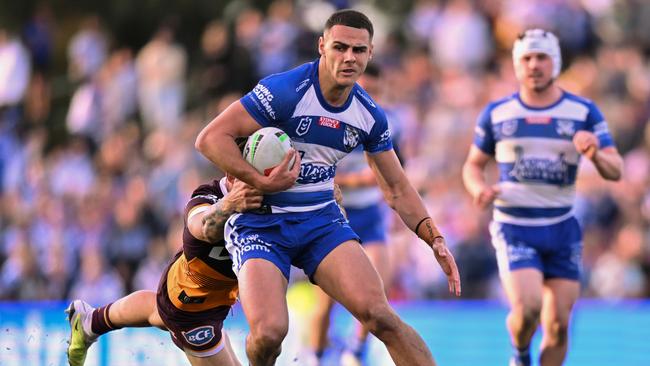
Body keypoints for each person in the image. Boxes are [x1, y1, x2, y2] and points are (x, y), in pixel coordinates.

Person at [195, 9, 461, 366]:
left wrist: (435, 239)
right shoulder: (286, 90)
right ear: (322, 46)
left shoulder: (369, 116)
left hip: (320, 221)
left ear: (370, 54)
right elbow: (210, 139)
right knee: (270, 333)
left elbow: (397, 187)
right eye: (340, 47)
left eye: (358, 50)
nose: (349, 57)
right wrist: (260, 181)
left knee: (380, 316)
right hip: (261, 222)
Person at [462, 29, 622, 366]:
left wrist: (595, 155)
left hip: (561, 226)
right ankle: (520, 354)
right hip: (515, 225)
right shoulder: (497, 114)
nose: (534, 65)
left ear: (556, 62)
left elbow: (616, 168)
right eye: (526, 58)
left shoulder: (583, 112)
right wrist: (479, 189)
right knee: (529, 308)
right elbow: (473, 166)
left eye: (542, 57)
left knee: (559, 325)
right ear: (516, 65)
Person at [66, 140, 263, 366]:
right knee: (161, 311)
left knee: (156, 310)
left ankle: (91, 321)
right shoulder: (209, 196)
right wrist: (230, 205)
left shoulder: (267, 203)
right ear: (231, 174)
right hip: (192, 310)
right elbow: (202, 227)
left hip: (203, 296)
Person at [308, 63, 399, 366]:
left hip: (370, 214)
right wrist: (348, 181)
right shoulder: (331, 122)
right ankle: (316, 356)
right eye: (367, 90)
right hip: (335, 215)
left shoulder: (385, 124)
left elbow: (394, 172)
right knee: (327, 302)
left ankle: (355, 349)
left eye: (377, 91)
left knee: (377, 289)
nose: (371, 97)